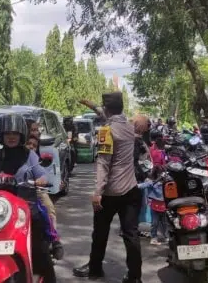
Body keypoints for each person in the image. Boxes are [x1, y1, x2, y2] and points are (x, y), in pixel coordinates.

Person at [0, 113, 56, 282]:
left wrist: (42, 179)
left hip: (25, 207)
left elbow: (42, 173)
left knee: (40, 248)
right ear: (1, 136)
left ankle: (48, 276)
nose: (11, 137)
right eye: (7, 134)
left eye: (15, 134)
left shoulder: (30, 156)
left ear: (21, 135)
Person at [73, 92, 143, 283]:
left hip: (110, 193)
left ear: (107, 109)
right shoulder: (129, 126)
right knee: (131, 235)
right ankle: (135, 277)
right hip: (131, 190)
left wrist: (98, 192)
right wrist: (93, 106)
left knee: (100, 233)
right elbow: (109, 115)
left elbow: (104, 163)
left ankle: (95, 269)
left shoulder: (106, 130)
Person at [26, 134, 64, 260]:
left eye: (34, 145)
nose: (31, 147)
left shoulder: (36, 160)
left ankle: (55, 241)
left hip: (36, 190)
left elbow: (44, 174)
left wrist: (42, 180)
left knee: (48, 210)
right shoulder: (11, 157)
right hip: (15, 192)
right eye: (29, 144)